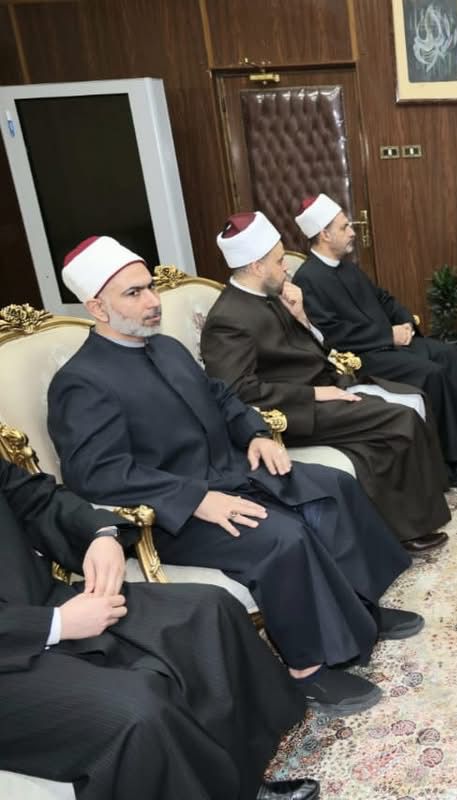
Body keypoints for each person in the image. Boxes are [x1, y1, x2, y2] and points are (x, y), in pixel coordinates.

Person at [48, 235, 424, 718]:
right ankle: (307, 669)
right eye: (134, 293)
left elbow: (222, 397)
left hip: (229, 471)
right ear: (97, 307)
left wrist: (256, 434)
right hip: (171, 514)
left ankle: (362, 608)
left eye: (150, 287)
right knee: (281, 537)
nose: (153, 301)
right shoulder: (80, 382)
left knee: (333, 488)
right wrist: (196, 500)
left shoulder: (166, 348)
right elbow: (97, 475)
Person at [0, 459, 318, 800]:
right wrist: (55, 624)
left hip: (43, 602)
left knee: (208, 610)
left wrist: (100, 534)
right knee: (139, 710)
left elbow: (35, 497)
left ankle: (240, 781)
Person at [201, 211, 455, 554]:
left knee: (410, 397)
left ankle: (410, 514)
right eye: (279, 261)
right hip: (292, 411)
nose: (286, 268)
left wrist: (302, 317)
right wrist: (315, 394)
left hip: (326, 385)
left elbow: (313, 349)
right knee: (400, 419)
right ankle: (407, 531)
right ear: (257, 266)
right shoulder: (228, 319)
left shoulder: (272, 295)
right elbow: (237, 392)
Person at [290, 193, 457, 479]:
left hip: (390, 344)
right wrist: (389, 335)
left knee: (454, 355)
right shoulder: (307, 279)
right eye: (344, 227)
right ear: (324, 234)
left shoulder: (348, 267)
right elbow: (334, 333)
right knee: (432, 373)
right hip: (363, 357)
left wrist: (405, 322)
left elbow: (383, 299)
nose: (352, 232)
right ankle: (449, 463)